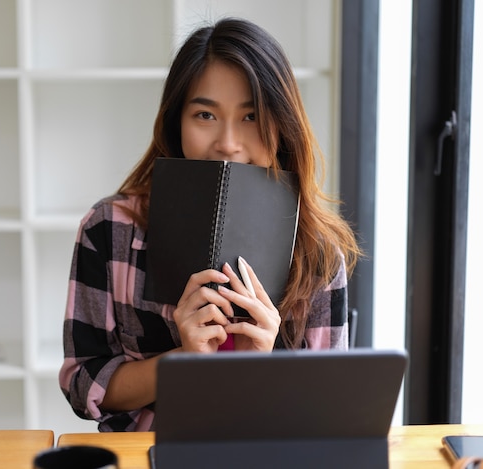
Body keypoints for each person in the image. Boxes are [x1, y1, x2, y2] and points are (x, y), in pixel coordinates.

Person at [59, 17, 361, 432]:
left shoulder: (317, 247)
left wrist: (263, 363)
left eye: (251, 116)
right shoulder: (110, 228)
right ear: (175, 121)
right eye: (205, 114)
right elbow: (82, 385)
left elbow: (332, 416)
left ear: (282, 126)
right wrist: (182, 358)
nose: (228, 143)